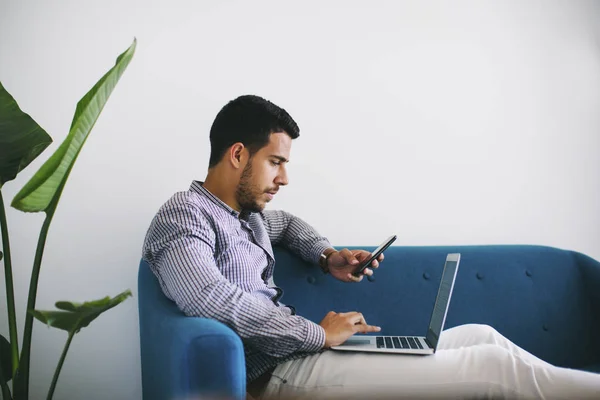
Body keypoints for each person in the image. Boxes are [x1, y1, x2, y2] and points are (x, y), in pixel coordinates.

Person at [142, 95, 600, 399]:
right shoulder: (183, 217)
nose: (284, 178)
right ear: (238, 154)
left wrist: (328, 255)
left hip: (308, 357)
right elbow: (213, 300)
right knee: (495, 370)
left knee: (482, 336)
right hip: (277, 373)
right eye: (275, 162)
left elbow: (285, 227)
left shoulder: (249, 216)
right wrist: (317, 334)